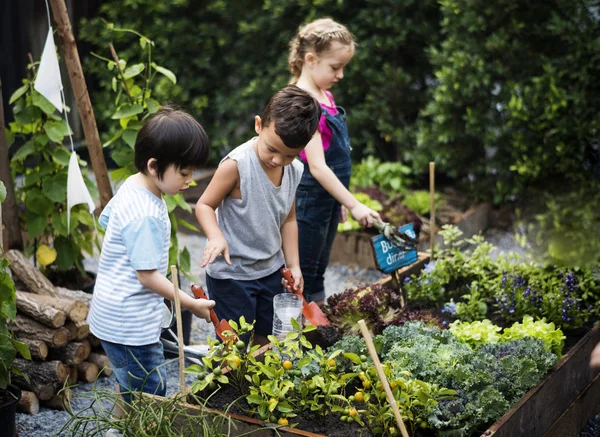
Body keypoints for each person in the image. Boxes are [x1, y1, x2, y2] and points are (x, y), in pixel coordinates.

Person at [88, 106, 216, 407]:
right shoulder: (145, 214)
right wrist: (191, 303)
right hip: (129, 324)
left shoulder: (133, 186)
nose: (190, 180)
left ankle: (117, 428)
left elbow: (108, 222)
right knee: (150, 390)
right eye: (184, 173)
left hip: (115, 312)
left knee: (130, 383)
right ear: (154, 165)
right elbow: (146, 276)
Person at [196, 85, 321, 345]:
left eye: (289, 155)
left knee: (268, 337)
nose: (277, 160)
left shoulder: (295, 170)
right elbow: (204, 205)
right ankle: (229, 384)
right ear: (258, 125)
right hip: (232, 276)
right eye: (272, 149)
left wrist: (294, 265)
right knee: (234, 345)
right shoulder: (236, 165)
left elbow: (288, 219)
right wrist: (215, 235)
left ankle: (262, 385)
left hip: (270, 271)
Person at [288, 18, 382, 306]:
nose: (340, 75)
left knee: (318, 268)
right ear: (310, 59)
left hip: (325, 199)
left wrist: (338, 200)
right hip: (308, 202)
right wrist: (354, 204)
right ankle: (294, 331)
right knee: (302, 271)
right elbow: (316, 167)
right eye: (335, 67)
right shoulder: (304, 104)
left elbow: (332, 154)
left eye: (343, 67)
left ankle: (315, 325)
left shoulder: (324, 95)